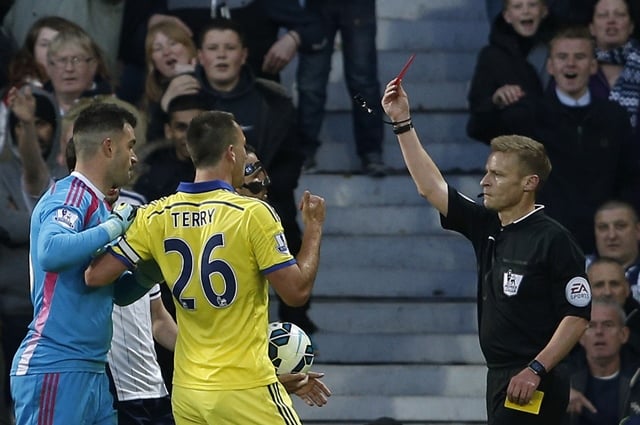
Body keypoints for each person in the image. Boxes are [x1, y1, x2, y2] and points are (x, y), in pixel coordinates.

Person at [84, 110, 326, 424]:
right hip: (244, 387)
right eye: (242, 145)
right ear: (231, 152)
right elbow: (296, 293)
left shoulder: (155, 215)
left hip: (188, 393)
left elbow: (101, 280)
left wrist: (150, 271)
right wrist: (314, 228)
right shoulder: (252, 214)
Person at [381, 78, 591, 424]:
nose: (484, 182)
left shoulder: (554, 240)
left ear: (529, 183)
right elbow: (430, 187)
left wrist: (536, 369)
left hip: (534, 379)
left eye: (496, 174)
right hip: (500, 376)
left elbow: (578, 316)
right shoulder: (489, 225)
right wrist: (402, 122)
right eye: (486, 172)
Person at [181, 18, 316, 334]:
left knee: (289, 232)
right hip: (205, 207)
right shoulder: (186, 100)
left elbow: (291, 159)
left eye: (230, 48)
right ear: (200, 56)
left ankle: (295, 326)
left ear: (244, 54)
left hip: (268, 198)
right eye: (213, 48)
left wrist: (258, 189)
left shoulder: (273, 100)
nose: (222, 56)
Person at [9, 102, 138, 424]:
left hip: (90, 368)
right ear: (109, 146)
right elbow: (51, 252)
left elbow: (116, 292)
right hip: (55, 364)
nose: (134, 157)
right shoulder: (70, 195)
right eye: (130, 146)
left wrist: (150, 268)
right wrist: (114, 228)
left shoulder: (98, 205)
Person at [64, 135, 177, 425]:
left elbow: (158, 319)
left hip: (154, 389)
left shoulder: (137, 228)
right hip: (109, 392)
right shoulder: (72, 231)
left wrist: (204, 354)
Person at [499, 25, 640, 254]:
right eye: (563, 57)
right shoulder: (529, 117)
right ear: (551, 66)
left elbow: (630, 177)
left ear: (593, 66)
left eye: (580, 56)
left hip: (604, 247)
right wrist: (495, 102)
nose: (571, 64)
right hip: (548, 245)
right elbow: (479, 128)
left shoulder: (615, 116)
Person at [0, 84, 58, 425]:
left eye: (40, 122)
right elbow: (6, 226)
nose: (34, 131)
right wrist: (47, 225)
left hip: (57, 314)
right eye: (23, 124)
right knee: (14, 404)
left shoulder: (69, 175)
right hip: (11, 308)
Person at [297, 0, 386, 177]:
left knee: (362, 81)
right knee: (312, 83)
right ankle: (304, 152)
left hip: (356, 5)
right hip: (319, 7)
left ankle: (371, 152)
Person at [467, 0, 554, 144]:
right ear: (507, 16)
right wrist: (496, 100)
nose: (526, 11)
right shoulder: (492, 57)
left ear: (544, 11)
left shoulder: (562, 50)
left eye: (532, 5)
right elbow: (477, 120)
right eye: (518, 6)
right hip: (515, 155)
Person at [566, 297, 640, 425]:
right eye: (591, 326)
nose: (599, 332)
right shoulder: (562, 380)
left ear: (623, 334)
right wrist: (560, 399)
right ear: (580, 336)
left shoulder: (637, 379)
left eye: (608, 325)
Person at [143, 20, 198, 141]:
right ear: (153, 62)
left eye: (173, 43)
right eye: (158, 49)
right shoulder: (150, 99)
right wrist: (164, 104)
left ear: (189, 48)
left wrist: (197, 75)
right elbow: (152, 145)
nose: (167, 52)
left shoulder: (211, 81)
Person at [589, 0, 640, 130]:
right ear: (592, 28)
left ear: (631, 27)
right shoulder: (573, 64)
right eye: (603, 15)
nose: (611, 21)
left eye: (620, 15)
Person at [44, 25, 112, 115]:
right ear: (49, 67)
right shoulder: (33, 108)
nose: (69, 68)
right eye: (62, 60)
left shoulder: (113, 111)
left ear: (93, 65)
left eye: (77, 60)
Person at [586, 257, 640, 358]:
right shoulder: (572, 326)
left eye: (614, 284)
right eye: (599, 285)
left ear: (627, 288)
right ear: (586, 291)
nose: (607, 292)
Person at [587, 201, 640, 297]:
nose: (611, 235)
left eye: (620, 226)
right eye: (603, 228)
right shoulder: (576, 269)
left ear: (638, 230)